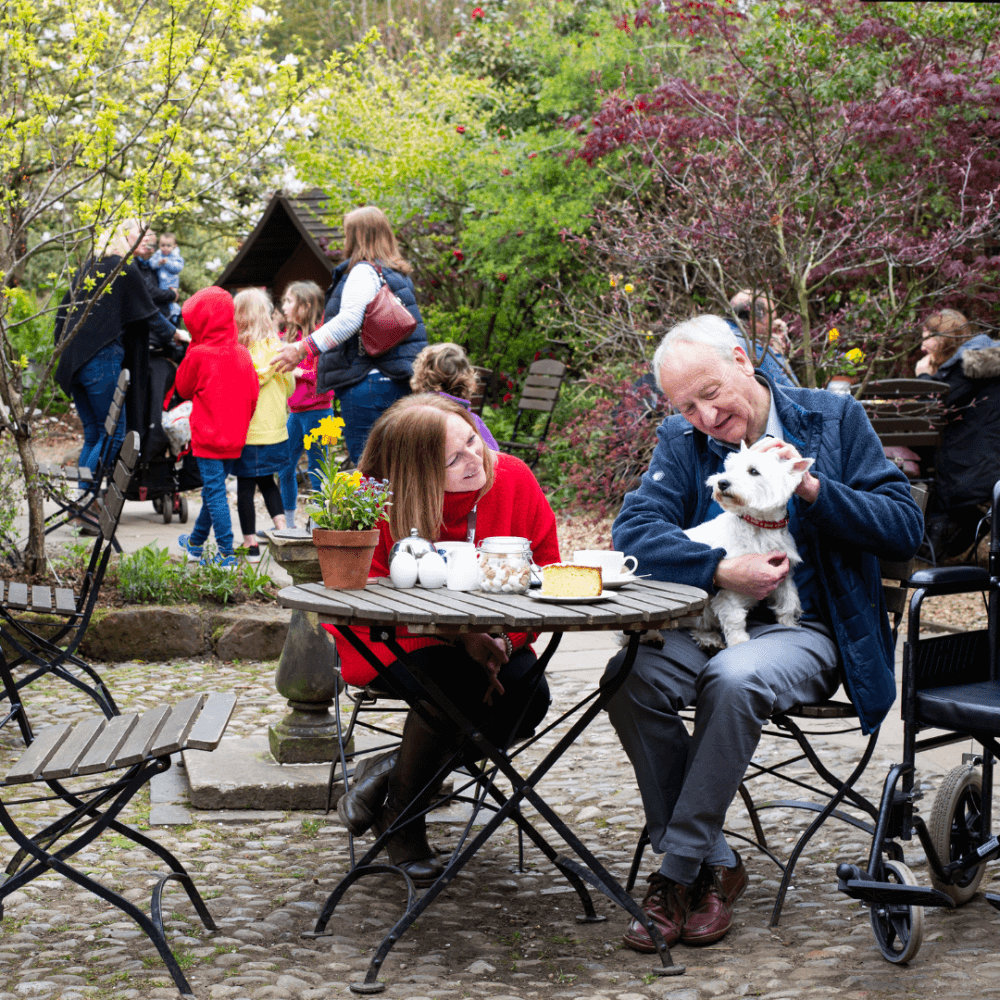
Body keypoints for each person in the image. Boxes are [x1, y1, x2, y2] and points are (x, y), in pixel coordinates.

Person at [604, 315, 922, 950]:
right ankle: (718, 863)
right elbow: (633, 532)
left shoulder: (832, 419)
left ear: (744, 361)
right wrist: (718, 567)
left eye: (711, 393)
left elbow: (902, 528)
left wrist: (809, 488)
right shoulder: (681, 441)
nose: (703, 417)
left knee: (734, 677)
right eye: (686, 406)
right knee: (628, 676)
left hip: (812, 627)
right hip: (713, 619)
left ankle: (676, 872)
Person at [327, 394, 560, 885]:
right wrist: (461, 638)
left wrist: (507, 644)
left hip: (497, 639)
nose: (475, 458)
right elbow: (363, 601)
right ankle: (405, 821)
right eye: (454, 459)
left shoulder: (513, 478)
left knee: (530, 697)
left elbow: (548, 573)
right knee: (451, 684)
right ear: (416, 472)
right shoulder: (372, 500)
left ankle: (391, 774)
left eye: (473, 440)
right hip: (393, 641)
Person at [271, 206, 427, 464]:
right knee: (399, 467)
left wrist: (302, 348)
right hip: (398, 379)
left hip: (368, 383)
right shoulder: (394, 273)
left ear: (356, 237)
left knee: (372, 470)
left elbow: (349, 320)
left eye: (347, 235)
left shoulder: (363, 272)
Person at [53, 219, 157, 517]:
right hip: (101, 360)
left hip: (73, 365)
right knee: (115, 433)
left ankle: (82, 503)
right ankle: (86, 502)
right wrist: (177, 334)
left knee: (94, 434)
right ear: (124, 237)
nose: (145, 239)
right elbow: (148, 312)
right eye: (140, 233)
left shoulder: (88, 269)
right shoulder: (123, 267)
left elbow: (60, 316)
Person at [175, 286, 259, 568]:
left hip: (208, 435)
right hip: (235, 435)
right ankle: (196, 544)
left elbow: (183, 388)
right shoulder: (243, 354)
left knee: (214, 492)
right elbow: (253, 394)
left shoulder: (199, 354)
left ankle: (226, 552)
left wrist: (192, 347)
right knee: (214, 490)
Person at [915, 309, 1000, 559]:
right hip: (988, 468)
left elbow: (927, 410)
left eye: (926, 337)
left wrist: (923, 375)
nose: (922, 347)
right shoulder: (985, 364)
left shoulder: (964, 367)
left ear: (943, 338)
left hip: (964, 472)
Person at [232, 288, 295, 561]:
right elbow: (290, 387)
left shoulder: (240, 352)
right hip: (277, 430)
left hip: (249, 432)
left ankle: (250, 544)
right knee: (268, 483)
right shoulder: (279, 348)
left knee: (245, 487)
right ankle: (282, 532)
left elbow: (240, 387)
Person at [276, 281, 336, 528]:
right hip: (295, 413)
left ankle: (319, 523)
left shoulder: (322, 337)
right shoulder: (290, 336)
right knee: (284, 467)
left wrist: (296, 372)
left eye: (289, 301)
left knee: (318, 469)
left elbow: (325, 377)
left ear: (307, 305)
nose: (284, 307)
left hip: (322, 413)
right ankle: (287, 525)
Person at [409, 342, 499, 449]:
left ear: (420, 377)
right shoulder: (473, 422)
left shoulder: (413, 420)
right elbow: (495, 456)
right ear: (467, 381)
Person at [727, 289, 798, 387]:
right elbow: (792, 392)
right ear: (754, 319)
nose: (773, 325)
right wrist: (777, 353)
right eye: (771, 319)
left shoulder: (713, 335)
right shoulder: (756, 349)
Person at [149, 232, 185, 325]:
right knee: (164, 303)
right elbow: (151, 264)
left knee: (172, 304)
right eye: (163, 245)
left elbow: (177, 268)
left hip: (171, 284)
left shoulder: (175, 257)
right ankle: (168, 319)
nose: (165, 248)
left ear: (174, 246)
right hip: (160, 284)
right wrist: (159, 263)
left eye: (168, 246)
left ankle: (174, 316)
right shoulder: (158, 255)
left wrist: (167, 262)